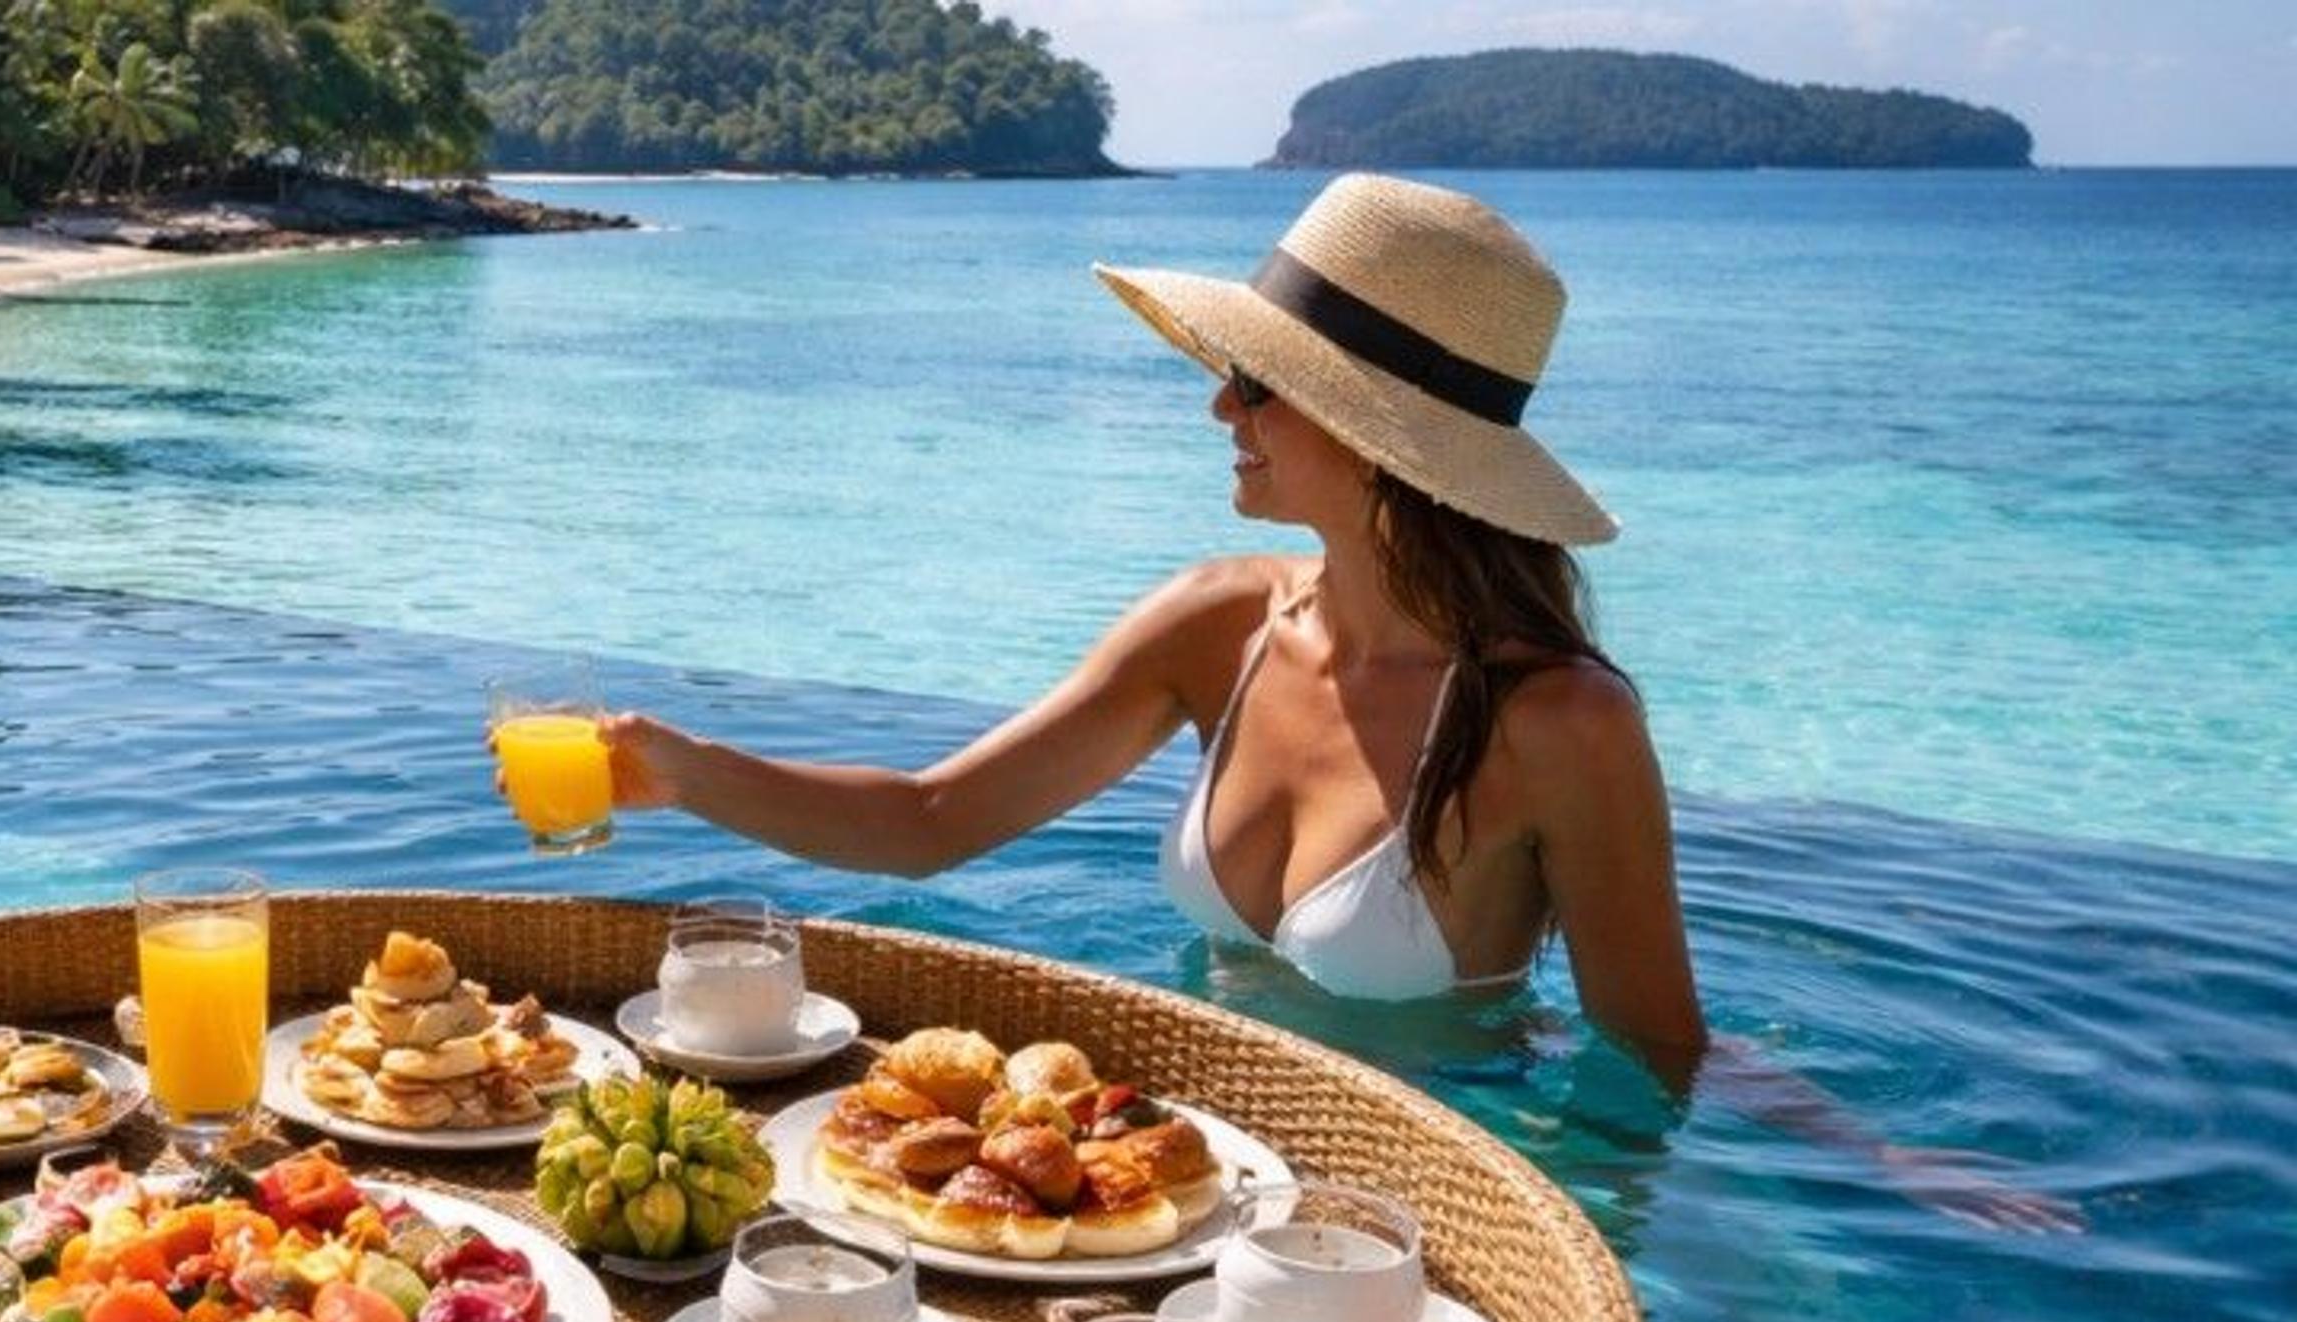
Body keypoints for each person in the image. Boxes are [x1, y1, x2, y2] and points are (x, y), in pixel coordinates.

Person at [578, 174, 2072, 1233]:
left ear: (1371, 432)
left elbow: (1654, 1051)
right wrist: (675, 767)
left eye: (1254, 379)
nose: (1219, 405)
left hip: (1434, 1209)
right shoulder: (1219, 624)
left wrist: (1881, 1166)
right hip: (1176, 1179)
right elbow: (931, 823)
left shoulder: (1562, 727)